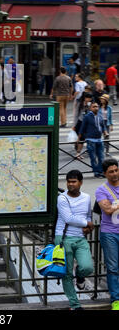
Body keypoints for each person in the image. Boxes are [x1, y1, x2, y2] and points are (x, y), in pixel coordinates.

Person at [55, 170, 94, 311]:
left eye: (74, 181)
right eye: (69, 182)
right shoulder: (62, 198)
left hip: (80, 238)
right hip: (64, 238)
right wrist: (87, 224)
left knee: (87, 266)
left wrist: (88, 227)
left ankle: (80, 276)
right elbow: (68, 218)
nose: (70, 184)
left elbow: (88, 215)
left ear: (81, 182)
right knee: (66, 273)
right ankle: (75, 305)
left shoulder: (87, 197)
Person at [95, 158, 119, 311]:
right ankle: (116, 299)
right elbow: (108, 210)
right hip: (109, 233)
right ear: (105, 173)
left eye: (116, 170)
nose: (115, 174)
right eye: (111, 171)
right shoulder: (101, 190)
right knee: (113, 267)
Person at [79, 101, 108, 178]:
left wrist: (105, 132)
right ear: (90, 108)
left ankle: (101, 171)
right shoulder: (87, 117)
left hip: (99, 139)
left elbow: (103, 125)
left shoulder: (100, 116)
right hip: (91, 140)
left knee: (101, 157)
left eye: (97, 106)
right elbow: (82, 128)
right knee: (93, 158)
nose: (96, 108)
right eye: (94, 107)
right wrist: (79, 138)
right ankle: (96, 172)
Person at [72, 92, 93, 159]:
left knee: (82, 138)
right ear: (85, 98)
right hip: (80, 122)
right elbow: (76, 114)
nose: (90, 100)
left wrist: (89, 106)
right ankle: (77, 151)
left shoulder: (90, 103)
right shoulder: (79, 103)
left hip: (86, 123)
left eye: (90, 99)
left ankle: (78, 153)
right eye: (89, 98)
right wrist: (74, 125)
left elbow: (91, 112)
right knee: (79, 137)